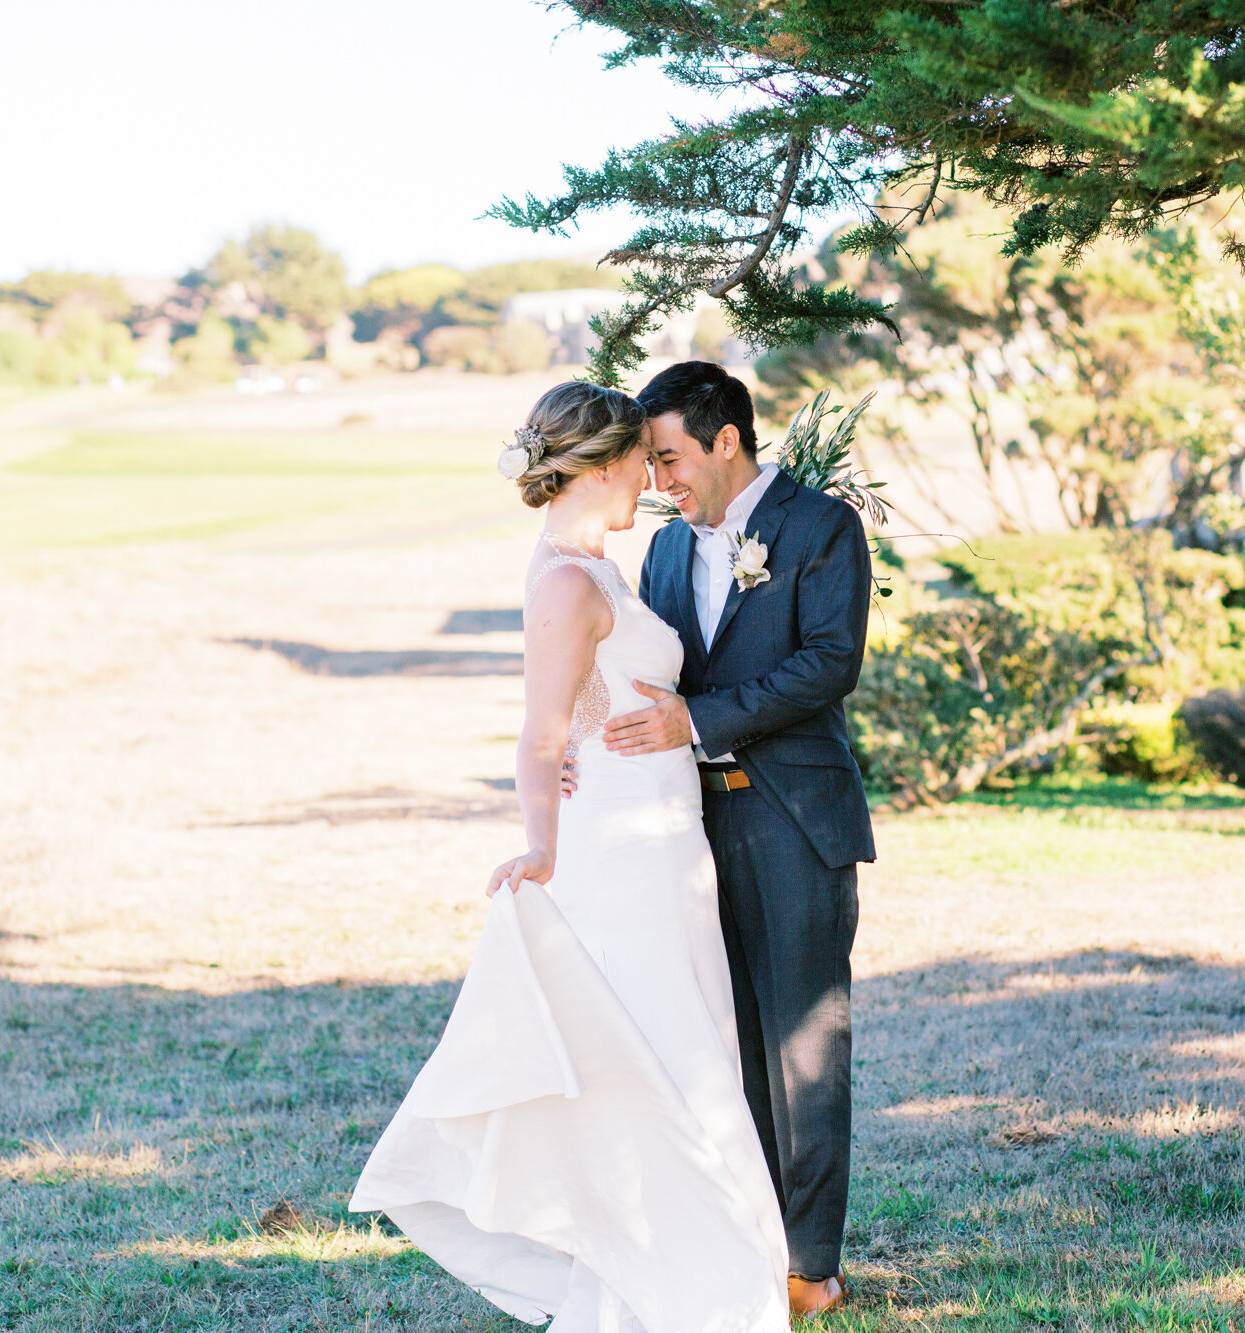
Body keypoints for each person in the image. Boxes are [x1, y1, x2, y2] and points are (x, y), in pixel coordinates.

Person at [349, 381, 791, 1333]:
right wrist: (542, 845)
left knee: (690, 1046)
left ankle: (684, 1269)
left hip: (668, 847)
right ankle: (694, 1278)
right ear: (598, 466)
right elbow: (540, 735)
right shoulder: (564, 580)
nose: (653, 477)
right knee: (662, 1055)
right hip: (621, 860)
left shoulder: (596, 565)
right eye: (642, 459)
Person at [601, 362, 876, 1319]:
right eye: (649, 462)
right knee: (724, 1039)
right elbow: (646, 670)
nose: (661, 481)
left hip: (795, 817)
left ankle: (812, 1264)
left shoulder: (820, 527)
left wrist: (699, 720)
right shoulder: (669, 555)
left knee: (803, 1043)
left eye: (668, 457)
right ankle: (747, 1240)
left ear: (727, 441)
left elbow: (829, 664)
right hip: (688, 828)